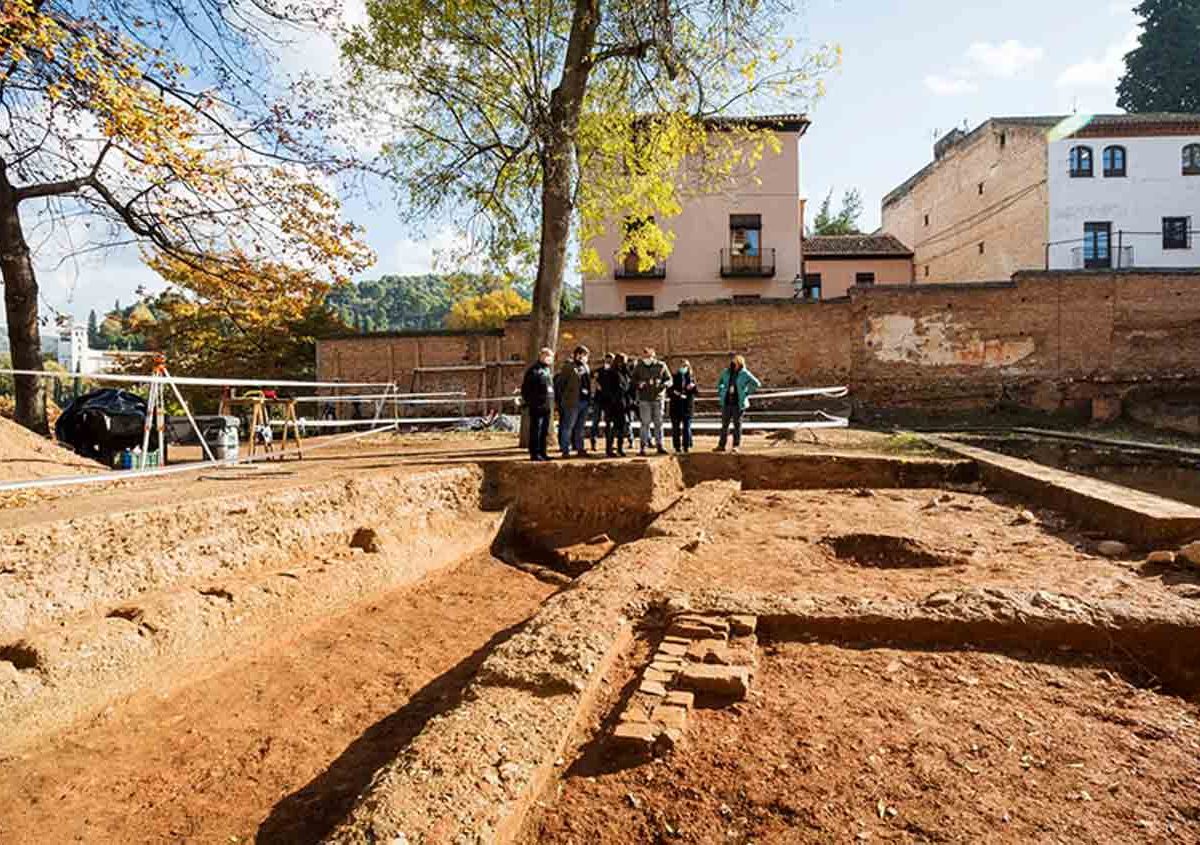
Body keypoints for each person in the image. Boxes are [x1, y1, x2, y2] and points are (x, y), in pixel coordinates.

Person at [715, 353, 761, 453]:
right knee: (724, 425)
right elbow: (720, 383)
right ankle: (721, 445)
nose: (733, 363)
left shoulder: (744, 373)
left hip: (738, 403)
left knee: (737, 425)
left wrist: (746, 392)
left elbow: (756, 383)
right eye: (733, 361)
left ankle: (736, 445)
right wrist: (722, 389)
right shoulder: (726, 372)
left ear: (740, 363)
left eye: (736, 361)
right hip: (727, 402)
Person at [631, 346, 671, 456]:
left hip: (658, 398)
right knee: (645, 423)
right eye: (645, 356)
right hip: (644, 399)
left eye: (649, 356)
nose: (647, 358)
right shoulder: (639, 366)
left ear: (654, 356)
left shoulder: (661, 365)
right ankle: (643, 447)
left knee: (659, 423)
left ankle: (660, 445)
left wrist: (663, 385)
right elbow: (633, 380)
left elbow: (669, 379)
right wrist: (639, 384)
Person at [520, 347, 555, 461]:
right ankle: (535, 453)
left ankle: (543, 452)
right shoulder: (534, 371)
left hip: (547, 405)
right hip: (537, 406)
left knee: (544, 431)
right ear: (542, 356)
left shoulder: (547, 370)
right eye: (548, 356)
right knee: (536, 430)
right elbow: (526, 389)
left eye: (551, 357)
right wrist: (531, 403)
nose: (550, 359)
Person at [556, 345, 591, 457]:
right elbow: (560, 384)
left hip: (584, 401)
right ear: (577, 355)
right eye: (582, 355)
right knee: (568, 426)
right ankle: (565, 450)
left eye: (586, 356)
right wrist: (562, 400)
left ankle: (580, 448)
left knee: (580, 427)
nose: (584, 357)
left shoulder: (586, 367)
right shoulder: (569, 367)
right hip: (572, 402)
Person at [597, 352, 630, 457]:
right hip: (612, 405)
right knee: (611, 428)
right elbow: (607, 389)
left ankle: (620, 448)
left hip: (622, 404)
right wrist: (613, 401)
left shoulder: (624, 373)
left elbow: (627, 388)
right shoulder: (611, 373)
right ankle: (609, 449)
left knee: (621, 427)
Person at [668, 359, 698, 454]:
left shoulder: (691, 378)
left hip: (687, 407)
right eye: (682, 366)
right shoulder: (674, 377)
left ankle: (686, 446)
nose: (683, 368)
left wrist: (692, 387)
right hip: (675, 406)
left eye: (685, 366)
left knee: (686, 427)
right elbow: (669, 391)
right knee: (676, 428)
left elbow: (696, 392)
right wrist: (675, 392)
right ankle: (677, 447)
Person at [589, 353, 614, 451]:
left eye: (610, 360)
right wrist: (596, 384)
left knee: (609, 422)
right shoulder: (599, 371)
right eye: (607, 359)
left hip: (609, 401)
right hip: (598, 400)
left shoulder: (614, 372)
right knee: (595, 421)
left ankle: (609, 443)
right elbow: (592, 376)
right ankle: (593, 443)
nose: (608, 361)